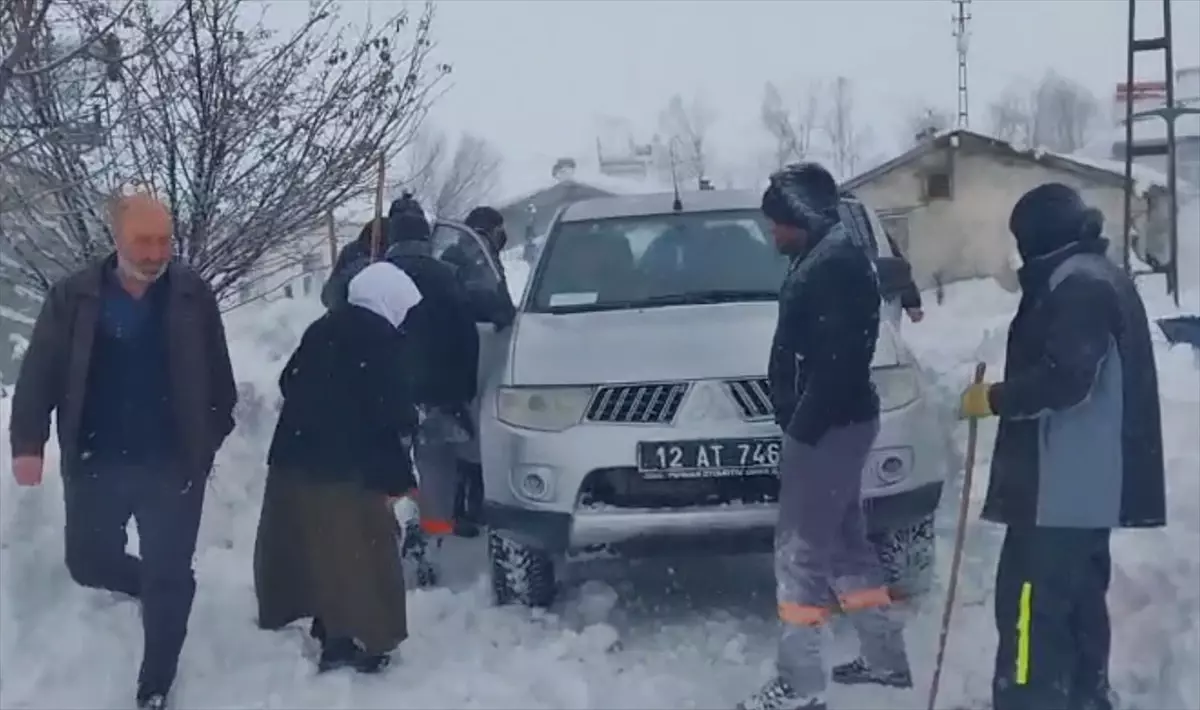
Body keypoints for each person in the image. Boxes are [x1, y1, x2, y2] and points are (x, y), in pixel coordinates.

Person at [8, 192, 237, 710]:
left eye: (164, 241)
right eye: (143, 241)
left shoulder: (191, 295)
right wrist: (28, 443)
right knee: (87, 561)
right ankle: (152, 588)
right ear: (117, 238)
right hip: (97, 458)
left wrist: (204, 443)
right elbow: (40, 373)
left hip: (172, 463)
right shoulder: (74, 296)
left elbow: (220, 383)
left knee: (168, 571)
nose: (156, 253)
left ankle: (155, 683)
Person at [958, 183, 1166, 710]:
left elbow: (1067, 379)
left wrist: (995, 398)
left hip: (1060, 488)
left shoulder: (1079, 285)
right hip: (1084, 490)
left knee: (1030, 609)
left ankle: (1031, 701)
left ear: (1036, 238)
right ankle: (1083, 698)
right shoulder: (1095, 275)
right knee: (1078, 607)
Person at [739, 163, 911, 710]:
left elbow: (839, 362)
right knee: (843, 546)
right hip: (838, 422)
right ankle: (885, 659)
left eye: (779, 222)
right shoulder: (825, 257)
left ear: (804, 216)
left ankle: (800, 685)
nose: (773, 232)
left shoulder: (833, 266)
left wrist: (804, 427)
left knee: (800, 554)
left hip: (828, 427)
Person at [254, 262, 421, 674]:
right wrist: (399, 477)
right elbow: (391, 415)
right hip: (347, 467)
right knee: (359, 555)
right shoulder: (380, 341)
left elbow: (289, 382)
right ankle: (356, 641)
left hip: (295, 457)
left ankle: (324, 620)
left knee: (312, 547)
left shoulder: (323, 327)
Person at [381, 196, 483, 539]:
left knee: (385, 463)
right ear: (426, 238)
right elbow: (467, 336)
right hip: (438, 392)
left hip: (386, 390)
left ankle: (383, 532)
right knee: (437, 466)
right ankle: (435, 530)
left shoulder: (375, 279)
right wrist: (464, 389)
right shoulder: (446, 276)